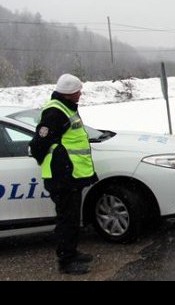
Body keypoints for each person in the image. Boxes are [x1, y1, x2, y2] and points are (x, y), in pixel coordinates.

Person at [34, 74, 98, 275]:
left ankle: (72, 252)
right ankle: (66, 261)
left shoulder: (66, 107)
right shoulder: (55, 112)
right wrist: (61, 164)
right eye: (78, 91)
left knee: (71, 217)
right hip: (62, 176)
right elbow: (39, 143)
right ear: (69, 93)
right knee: (66, 219)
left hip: (71, 175)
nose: (80, 93)